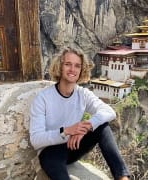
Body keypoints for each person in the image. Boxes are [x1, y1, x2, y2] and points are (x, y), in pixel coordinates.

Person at [29, 46, 130, 180]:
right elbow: (36, 140)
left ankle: (122, 176)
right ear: (60, 66)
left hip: (73, 146)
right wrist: (66, 130)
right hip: (50, 152)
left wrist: (87, 126)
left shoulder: (82, 94)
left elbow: (109, 111)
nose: (72, 69)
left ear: (82, 70)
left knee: (102, 126)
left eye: (77, 66)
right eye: (68, 64)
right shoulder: (43, 98)